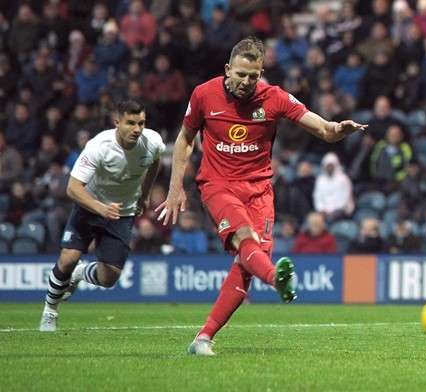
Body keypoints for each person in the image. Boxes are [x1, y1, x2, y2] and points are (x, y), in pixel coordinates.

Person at [155, 37, 366, 356]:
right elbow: (185, 139)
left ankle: (203, 338)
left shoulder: (274, 97)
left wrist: (339, 129)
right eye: (240, 74)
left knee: (245, 263)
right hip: (218, 185)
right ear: (228, 69)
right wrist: (175, 188)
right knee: (245, 237)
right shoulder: (204, 94)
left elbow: (322, 129)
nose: (246, 82)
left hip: (260, 191)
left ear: (261, 73)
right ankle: (277, 279)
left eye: (253, 76)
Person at [38, 100, 164, 332]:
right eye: (130, 123)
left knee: (109, 279)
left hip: (122, 213)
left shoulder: (153, 142)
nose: (137, 129)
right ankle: (50, 311)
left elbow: (155, 163)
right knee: (68, 258)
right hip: (89, 208)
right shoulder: (98, 146)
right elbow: (73, 188)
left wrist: (144, 194)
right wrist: (99, 207)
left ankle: (79, 274)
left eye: (141, 123)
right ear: (117, 122)